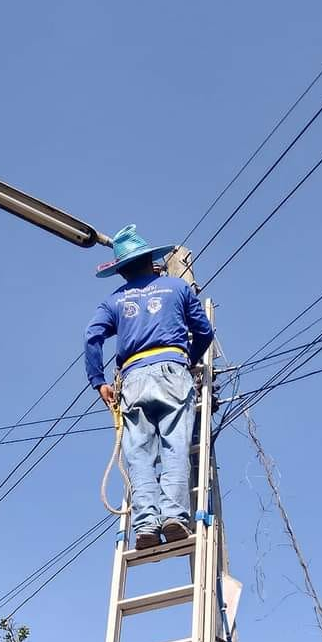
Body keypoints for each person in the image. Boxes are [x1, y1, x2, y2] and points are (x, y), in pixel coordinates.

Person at [84, 225, 213, 550]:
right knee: (175, 446)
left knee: (139, 454)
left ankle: (144, 525)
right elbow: (205, 332)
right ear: (151, 262)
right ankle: (173, 517)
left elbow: (92, 337)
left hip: (133, 379)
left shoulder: (114, 300)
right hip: (172, 372)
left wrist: (99, 382)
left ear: (122, 271)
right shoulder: (177, 288)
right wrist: (189, 360)